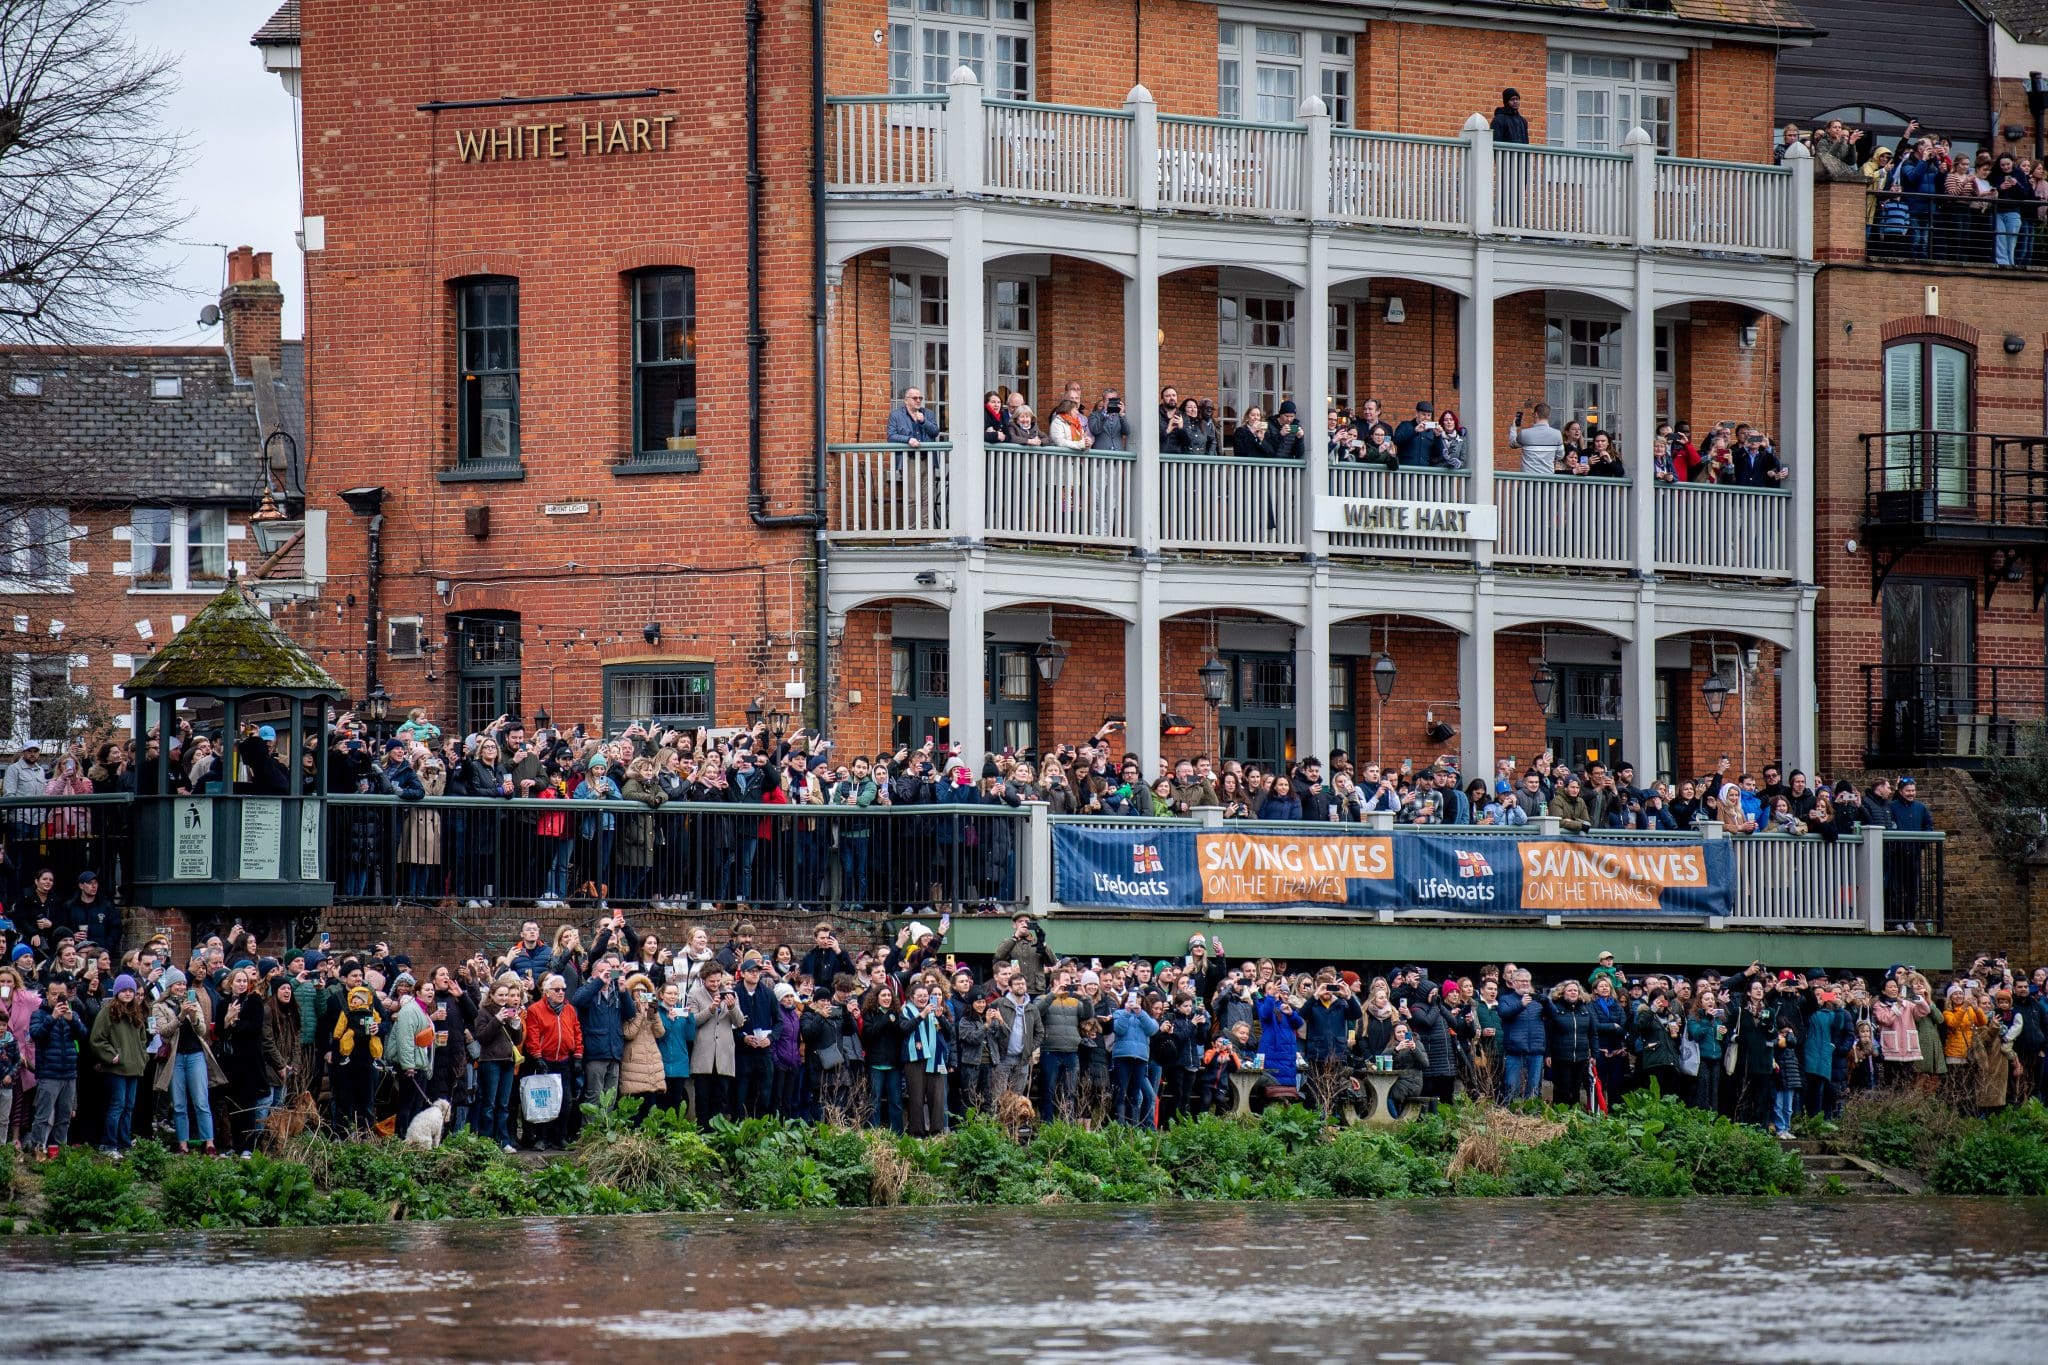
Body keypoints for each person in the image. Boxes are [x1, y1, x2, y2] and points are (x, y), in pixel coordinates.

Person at [26, 978, 87, 1157]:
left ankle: (60, 1153)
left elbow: (84, 1035)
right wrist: (52, 1018)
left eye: (61, 994)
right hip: (48, 1074)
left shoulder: (72, 1014)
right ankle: (37, 1151)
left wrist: (72, 1020)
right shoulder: (39, 1014)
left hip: (69, 1073)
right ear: (47, 995)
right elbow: (36, 1035)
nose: (57, 998)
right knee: (43, 1116)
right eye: (54, 994)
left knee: (64, 1117)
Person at [88, 972, 147, 1153]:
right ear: (117, 992)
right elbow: (97, 1039)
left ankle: (124, 1143)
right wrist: (111, 1055)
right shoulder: (108, 1012)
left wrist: (143, 1057)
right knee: (117, 1106)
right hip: (116, 1069)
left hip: (134, 1067)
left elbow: (142, 1039)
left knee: (129, 1107)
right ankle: (109, 1144)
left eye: (131, 990)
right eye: (124, 990)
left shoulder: (136, 1012)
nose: (128, 994)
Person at [1508, 403, 1562, 475]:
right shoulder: (1557, 434)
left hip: (1528, 478)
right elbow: (1560, 456)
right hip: (1548, 478)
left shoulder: (1524, 434)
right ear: (1549, 416)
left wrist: (1513, 427)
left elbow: (1512, 444)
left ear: (1536, 414)